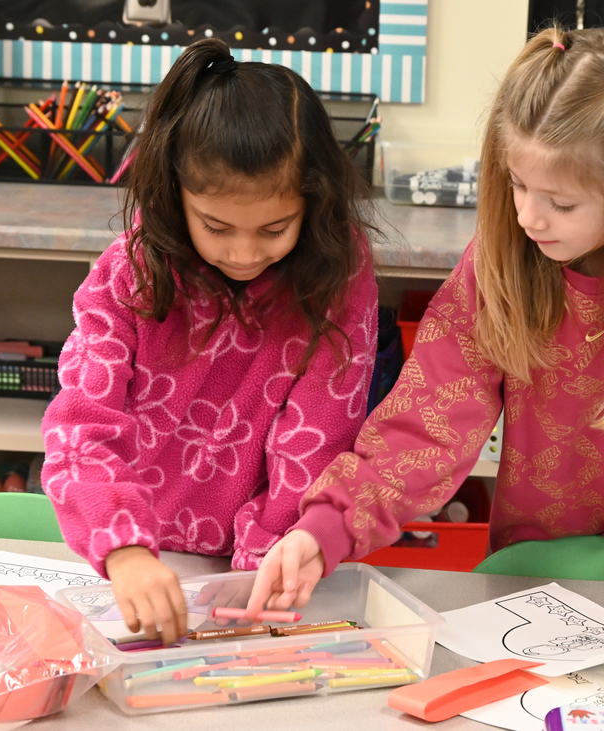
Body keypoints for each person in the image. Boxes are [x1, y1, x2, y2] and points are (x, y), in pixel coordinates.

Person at [246, 26, 604, 615]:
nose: (529, 216)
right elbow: (431, 415)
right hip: (541, 573)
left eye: (561, 202)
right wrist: (326, 529)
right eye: (516, 184)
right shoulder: (508, 248)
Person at [41, 38, 378, 645]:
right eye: (216, 227)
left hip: (276, 564)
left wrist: (262, 571)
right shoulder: (131, 272)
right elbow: (80, 426)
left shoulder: (337, 274)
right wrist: (125, 550)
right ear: (176, 197)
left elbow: (317, 438)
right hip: (143, 557)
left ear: (314, 201)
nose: (244, 254)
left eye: (274, 229)